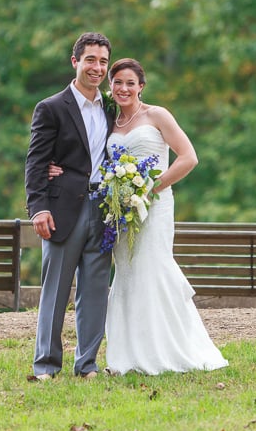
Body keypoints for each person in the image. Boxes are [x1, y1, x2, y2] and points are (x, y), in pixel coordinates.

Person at [49, 58, 228, 375]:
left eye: (130, 83)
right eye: (117, 82)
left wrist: (151, 188)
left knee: (153, 269)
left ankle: (169, 350)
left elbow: (188, 158)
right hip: (119, 210)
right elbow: (84, 149)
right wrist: (55, 167)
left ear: (141, 87)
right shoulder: (109, 120)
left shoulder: (157, 115)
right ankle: (127, 357)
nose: (123, 88)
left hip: (154, 206)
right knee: (128, 275)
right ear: (110, 86)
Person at [24, 32, 115, 381]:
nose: (98, 67)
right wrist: (39, 208)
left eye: (103, 61)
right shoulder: (51, 107)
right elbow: (36, 162)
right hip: (63, 210)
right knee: (56, 290)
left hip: (102, 209)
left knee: (94, 291)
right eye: (91, 60)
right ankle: (46, 365)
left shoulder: (109, 107)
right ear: (75, 62)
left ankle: (87, 364)